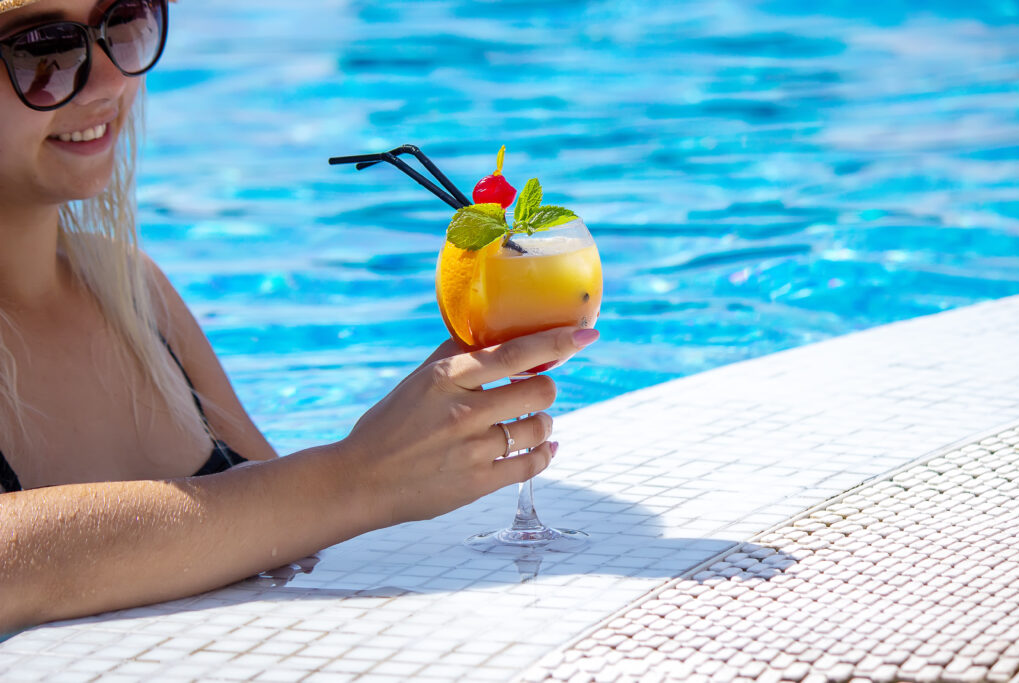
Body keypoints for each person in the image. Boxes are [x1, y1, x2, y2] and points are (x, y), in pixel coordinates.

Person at [0, 0, 598, 633]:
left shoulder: (133, 294)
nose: (112, 80)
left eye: (123, 20)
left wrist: (395, 465)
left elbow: (288, 534)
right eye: (44, 47)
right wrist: (358, 478)